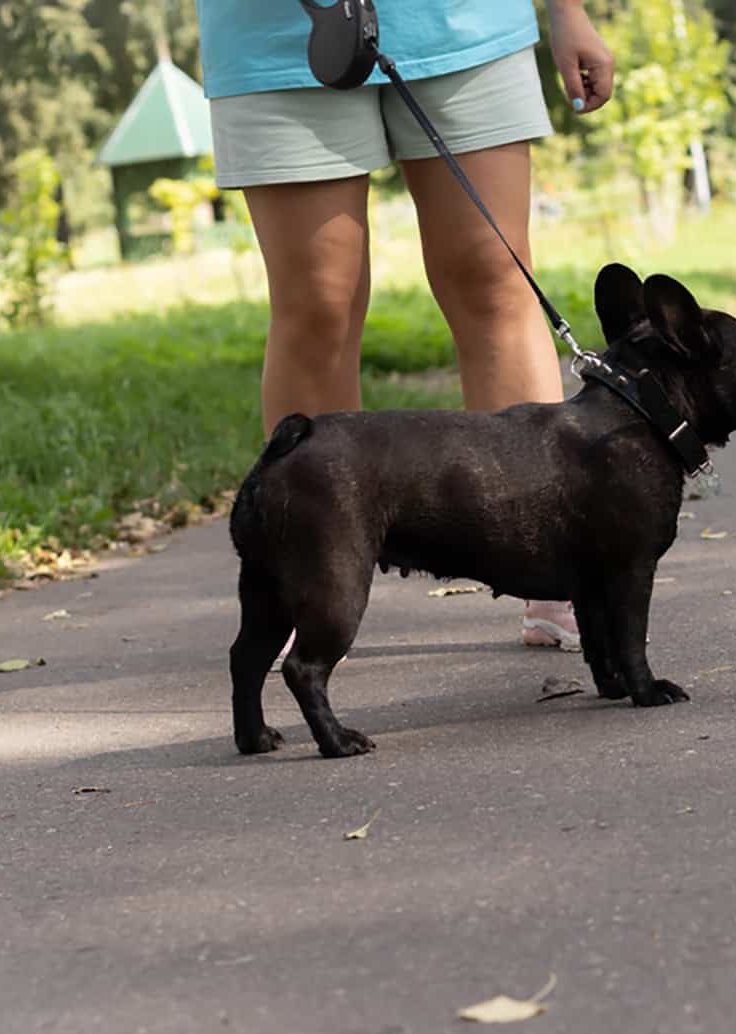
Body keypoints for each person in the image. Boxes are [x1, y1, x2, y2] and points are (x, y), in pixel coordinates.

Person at [194, 0, 615, 650]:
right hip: (276, 35)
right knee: (317, 304)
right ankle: (308, 576)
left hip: (465, 24)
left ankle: (546, 570)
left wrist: (567, 12)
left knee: (494, 278)